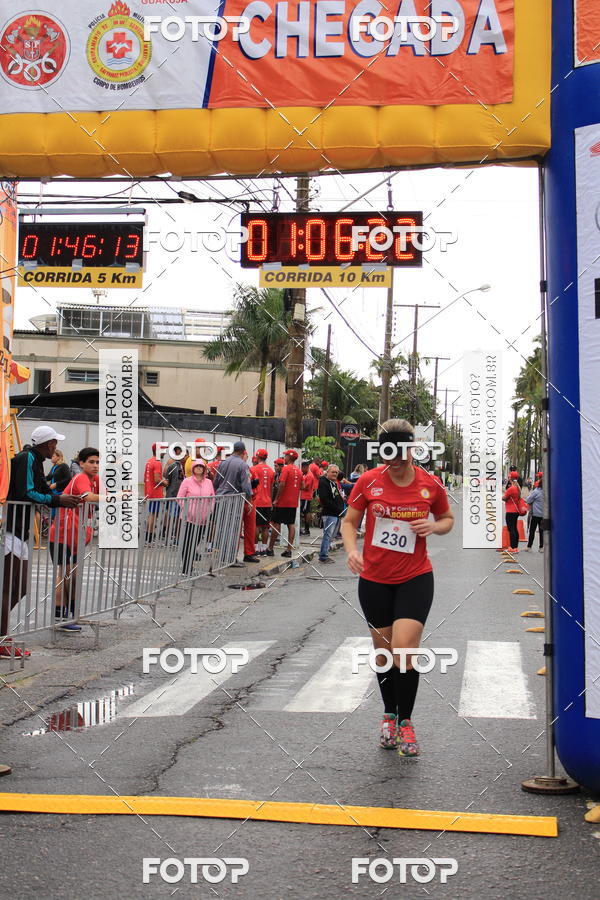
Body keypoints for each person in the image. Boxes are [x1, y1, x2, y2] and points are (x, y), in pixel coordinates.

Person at [341, 419, 454, 757]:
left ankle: (406, 722)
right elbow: (349, 522)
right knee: (384, 652)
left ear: (411, 449)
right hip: (374, 579)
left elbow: (448, 520)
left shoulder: (429, 484)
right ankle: (389, 715)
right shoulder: (368, 481)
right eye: (390, 452)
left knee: (405, 650)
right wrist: (351, 550)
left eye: (403, 451)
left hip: (415, 577)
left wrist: (433, 526)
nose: (397, 460)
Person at [2, 426, 82, 655]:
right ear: (48, 444)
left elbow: (43, 490)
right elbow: (27, 492)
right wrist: (58, 501)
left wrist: (62, 498)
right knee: (9, 587)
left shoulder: (36, 460)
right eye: (55, 443)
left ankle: (2, 636)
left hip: (21, 530)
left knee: (21, 588)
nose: (56, 447)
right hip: (11, 528)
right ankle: (2, 639)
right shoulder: (27, 457)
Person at [49, 447, 101, 632]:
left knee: (73, 576)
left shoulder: (94, 479)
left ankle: (71, 614)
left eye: (97, 462)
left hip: (77, 536)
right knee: (65, 575)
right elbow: (90, 498)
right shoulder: (80, 478)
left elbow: (103, 493)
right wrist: (117, 497)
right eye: (91, 462)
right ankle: (59, 616)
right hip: (63, 534)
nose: (95, 466)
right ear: (81, 463)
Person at [214, 441, 253, 565]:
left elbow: (216, 481)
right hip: (234, 501)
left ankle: (222, 556)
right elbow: (246, 486)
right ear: (243, 452)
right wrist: (249, 501)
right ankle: (230, 558)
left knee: (222, 528)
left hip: (221, 499)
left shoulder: (223, 463)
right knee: (233, 529)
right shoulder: (243, 465)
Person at [177, 461, 215, 575]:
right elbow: (179, 498)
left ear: (204, 469)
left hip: (203, 519)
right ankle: (186, 568)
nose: (199, 468)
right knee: (187, 543)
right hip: (188, 518)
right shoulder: (186, 481)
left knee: (195, 543)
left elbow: (212, 497)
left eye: (201, 467)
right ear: (193, 468)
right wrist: (188, 510)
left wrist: (210, 510)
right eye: (197, 466)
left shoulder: (208, 482)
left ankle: (189, 565)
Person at [267, 449, 302, 558]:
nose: (284, 458)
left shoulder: (286, 469)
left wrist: (276, 499)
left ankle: (270, 548)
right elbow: (304, 486)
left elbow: (282, 484)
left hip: (282, 502)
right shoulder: (299, 470)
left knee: (276, 524)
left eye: (285, 456)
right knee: (290, 525)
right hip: (293, 502)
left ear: (289, 457)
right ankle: (289, 550)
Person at [318, 464, 345, 563]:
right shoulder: (323, 482)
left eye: (336, 472)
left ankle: (325, 554)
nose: (335, 474)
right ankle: (323, 556)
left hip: (336, 514)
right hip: (330, 514)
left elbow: (337, 497)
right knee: (328, 535)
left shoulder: (332, 482)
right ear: (327, 472)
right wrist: (338, 509)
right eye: (333, 472)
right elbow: (325, 499)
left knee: (331, 536)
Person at [252, 449, 274, 553]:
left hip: (257, 501)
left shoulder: (253, 469)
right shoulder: (271, 470)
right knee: (266, 526)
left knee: (256, 526)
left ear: (257, 457)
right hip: (267, 502)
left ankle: (255, 548)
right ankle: (264, 548)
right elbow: (271, 488)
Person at [144, 443, 167, 541]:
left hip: (149, 492)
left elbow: (145, 478)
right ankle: (149, 536)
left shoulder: (149, 461)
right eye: (163, 450)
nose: (164, 452)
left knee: (152, 514)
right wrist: (166, 483)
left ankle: (149, 535)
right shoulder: (157, 462)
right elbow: (157, 480)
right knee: (153, 514)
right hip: (156, 493)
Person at [502, 473, 521, 552]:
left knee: (511, 529)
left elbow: (504, 498)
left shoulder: (511, 488)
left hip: (510, 511)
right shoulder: (517, 487)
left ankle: (512, 548)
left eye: (509, 476)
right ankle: (515, 547)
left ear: (510, 478)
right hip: (516, 511)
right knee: (515, 528)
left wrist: (504, 497)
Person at [525, 476, 544, 552]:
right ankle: (541, 547)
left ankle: (529, 547)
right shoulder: (548, 491)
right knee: (542, 531)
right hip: (544, 515)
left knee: (532, 531)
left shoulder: (536, 492)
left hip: (535, 514)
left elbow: (528, 500)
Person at [300, 460, 317, 536]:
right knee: (304, 512)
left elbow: (306, 487)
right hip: (303, 496)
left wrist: (299, 487)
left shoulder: (309, 475)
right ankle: (305, 529)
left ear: (306, 467)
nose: (301, 469)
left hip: (306, 497)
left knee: (305, 512)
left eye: (302, 468)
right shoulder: (305, 474)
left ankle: (307, 529)